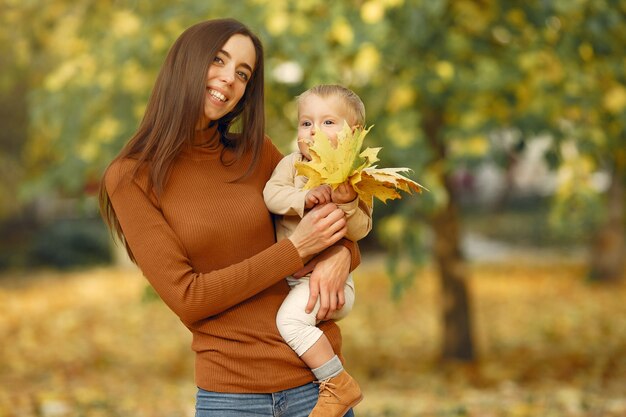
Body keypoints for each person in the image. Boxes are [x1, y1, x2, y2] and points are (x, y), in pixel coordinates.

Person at [98, 19, 360, 417]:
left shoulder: (259, 153)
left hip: (318, 388)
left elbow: (335, 212)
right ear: (185, 62)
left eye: (243, 73)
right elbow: (189, 298)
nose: (229, 79)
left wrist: (342, 254)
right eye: (218, 60)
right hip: (232, 400)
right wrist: (296, 250)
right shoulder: (132, 176)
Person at [263, 84, 372, 417]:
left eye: (328, 123)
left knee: (291, 323)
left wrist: (347, 202)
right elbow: (271, 195)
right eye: (306, 123)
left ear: (352, 134)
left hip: (328, 285)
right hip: (293, 278)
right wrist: (302, 199)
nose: (314, 131)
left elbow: (359, 231)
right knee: (293, 320)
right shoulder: (291, 165)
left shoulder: (355, 177)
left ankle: (337, 384)